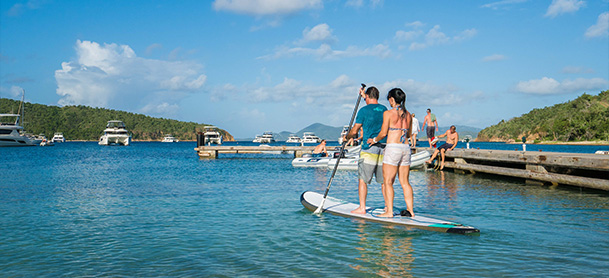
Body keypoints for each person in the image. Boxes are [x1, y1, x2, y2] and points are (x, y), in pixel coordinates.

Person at [367, 88, 414, 218]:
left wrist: (374, 140)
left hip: (393, 148)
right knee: (405, 182)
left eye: (389, 99)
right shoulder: (408, 114)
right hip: (405, 148)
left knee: (388, 182)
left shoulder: (388, 113)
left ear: (392, 99)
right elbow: (409, 134)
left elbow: (383, 133)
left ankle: (389, 212)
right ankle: (411, 211)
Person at [345, 86, 387, 214]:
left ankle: (362, 208)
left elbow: (355, 130)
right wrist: (364, 94)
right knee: (384, 181)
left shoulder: (363, 111)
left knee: (363, 180)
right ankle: (387, 207)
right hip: (384, 148)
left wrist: (347, 136)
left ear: (368, 97)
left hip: (369, 149)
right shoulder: (384, 109)